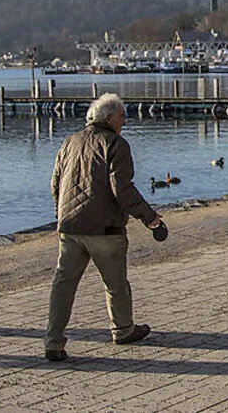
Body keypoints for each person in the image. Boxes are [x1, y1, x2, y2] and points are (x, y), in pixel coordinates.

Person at [45, 93, 164, 362]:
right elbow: (122, 189)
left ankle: (53, 341)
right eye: (122, 116)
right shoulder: (116, 144)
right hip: (105, 229)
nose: (125, 121)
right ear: (110, 118)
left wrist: (60, 216)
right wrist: (150, 218)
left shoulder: (69, 141)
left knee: (63, 285)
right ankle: (122, 330)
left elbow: (55, 183)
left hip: (70, 228)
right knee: (115, 284)